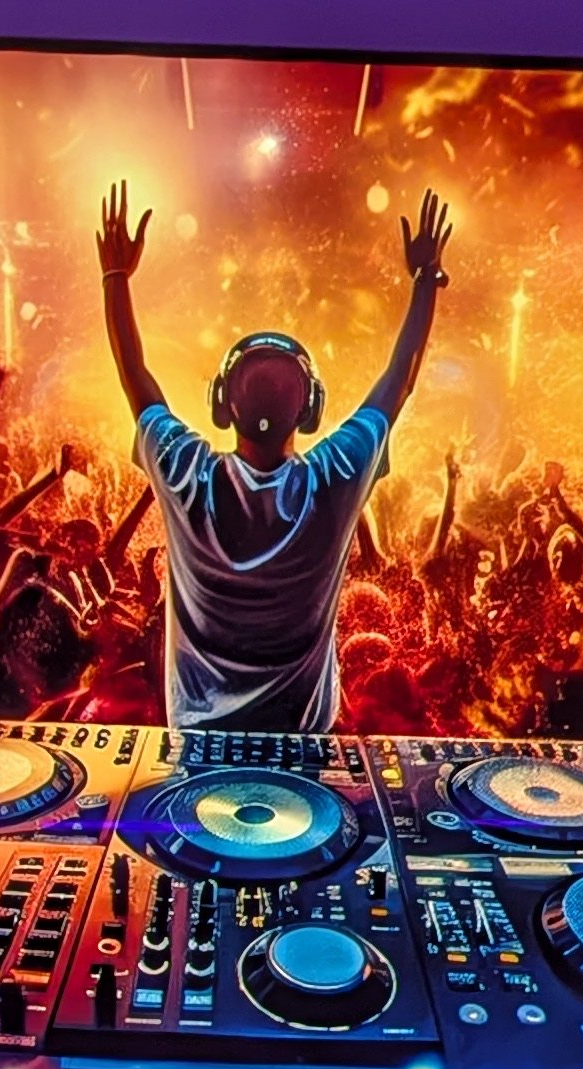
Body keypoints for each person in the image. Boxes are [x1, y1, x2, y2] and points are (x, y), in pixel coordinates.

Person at [96, 180, 454, 733]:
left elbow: (135, 378)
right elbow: (399, 381)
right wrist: (425, 279)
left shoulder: (186, 473)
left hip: (196, 743)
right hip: (303, 746)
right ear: (310, 411)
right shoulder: (334, 478)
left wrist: (115, 278)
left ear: (222, 405)